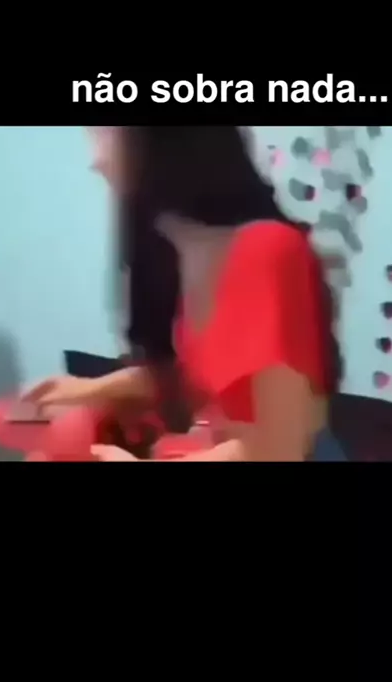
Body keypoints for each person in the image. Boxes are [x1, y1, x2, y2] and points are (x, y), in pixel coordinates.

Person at [27, 125, 340, 461]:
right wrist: (86, 388)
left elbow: (281, 448)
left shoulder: (266, 250)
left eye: (105, 134)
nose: (96, 161)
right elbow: (192, 377)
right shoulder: (182, 252)